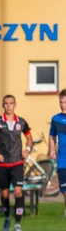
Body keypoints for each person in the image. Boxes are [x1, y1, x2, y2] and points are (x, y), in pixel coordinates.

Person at [0, 95, 33, 231]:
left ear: (15, 105)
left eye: (11, 103)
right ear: (3, 105)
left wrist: (27, 150)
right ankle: (7, 217)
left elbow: (29, 139)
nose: (8, 106)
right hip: (2, 164)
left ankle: (18, 224)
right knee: (5, 194)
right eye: (6, 103)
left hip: (17, 162)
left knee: (18, 191)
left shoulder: (22, 122)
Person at [48, 89, 66, 217]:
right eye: (61, 102)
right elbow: (52, 135)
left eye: (65, 102)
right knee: (65, 192)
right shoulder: (56, 119)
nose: (63, 105)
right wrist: (51, 149)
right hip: (62, 161)